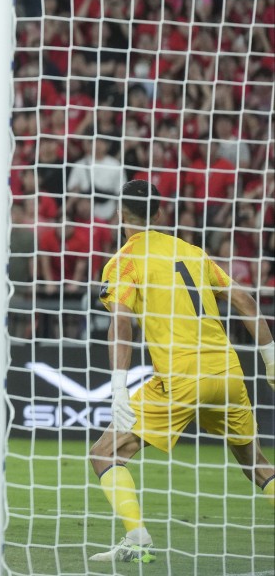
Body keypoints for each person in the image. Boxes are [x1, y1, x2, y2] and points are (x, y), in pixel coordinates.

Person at [89, 180, 275, 563]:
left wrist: (119, 386)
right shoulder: (191, 251)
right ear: (159, 214)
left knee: (104, 455)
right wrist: (271, 359)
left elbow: (121, 324)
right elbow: (244, 299)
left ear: (120, 213)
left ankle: (138, 537)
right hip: (227, 372)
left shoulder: (124, 261)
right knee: (258, 467)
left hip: (180, 376)